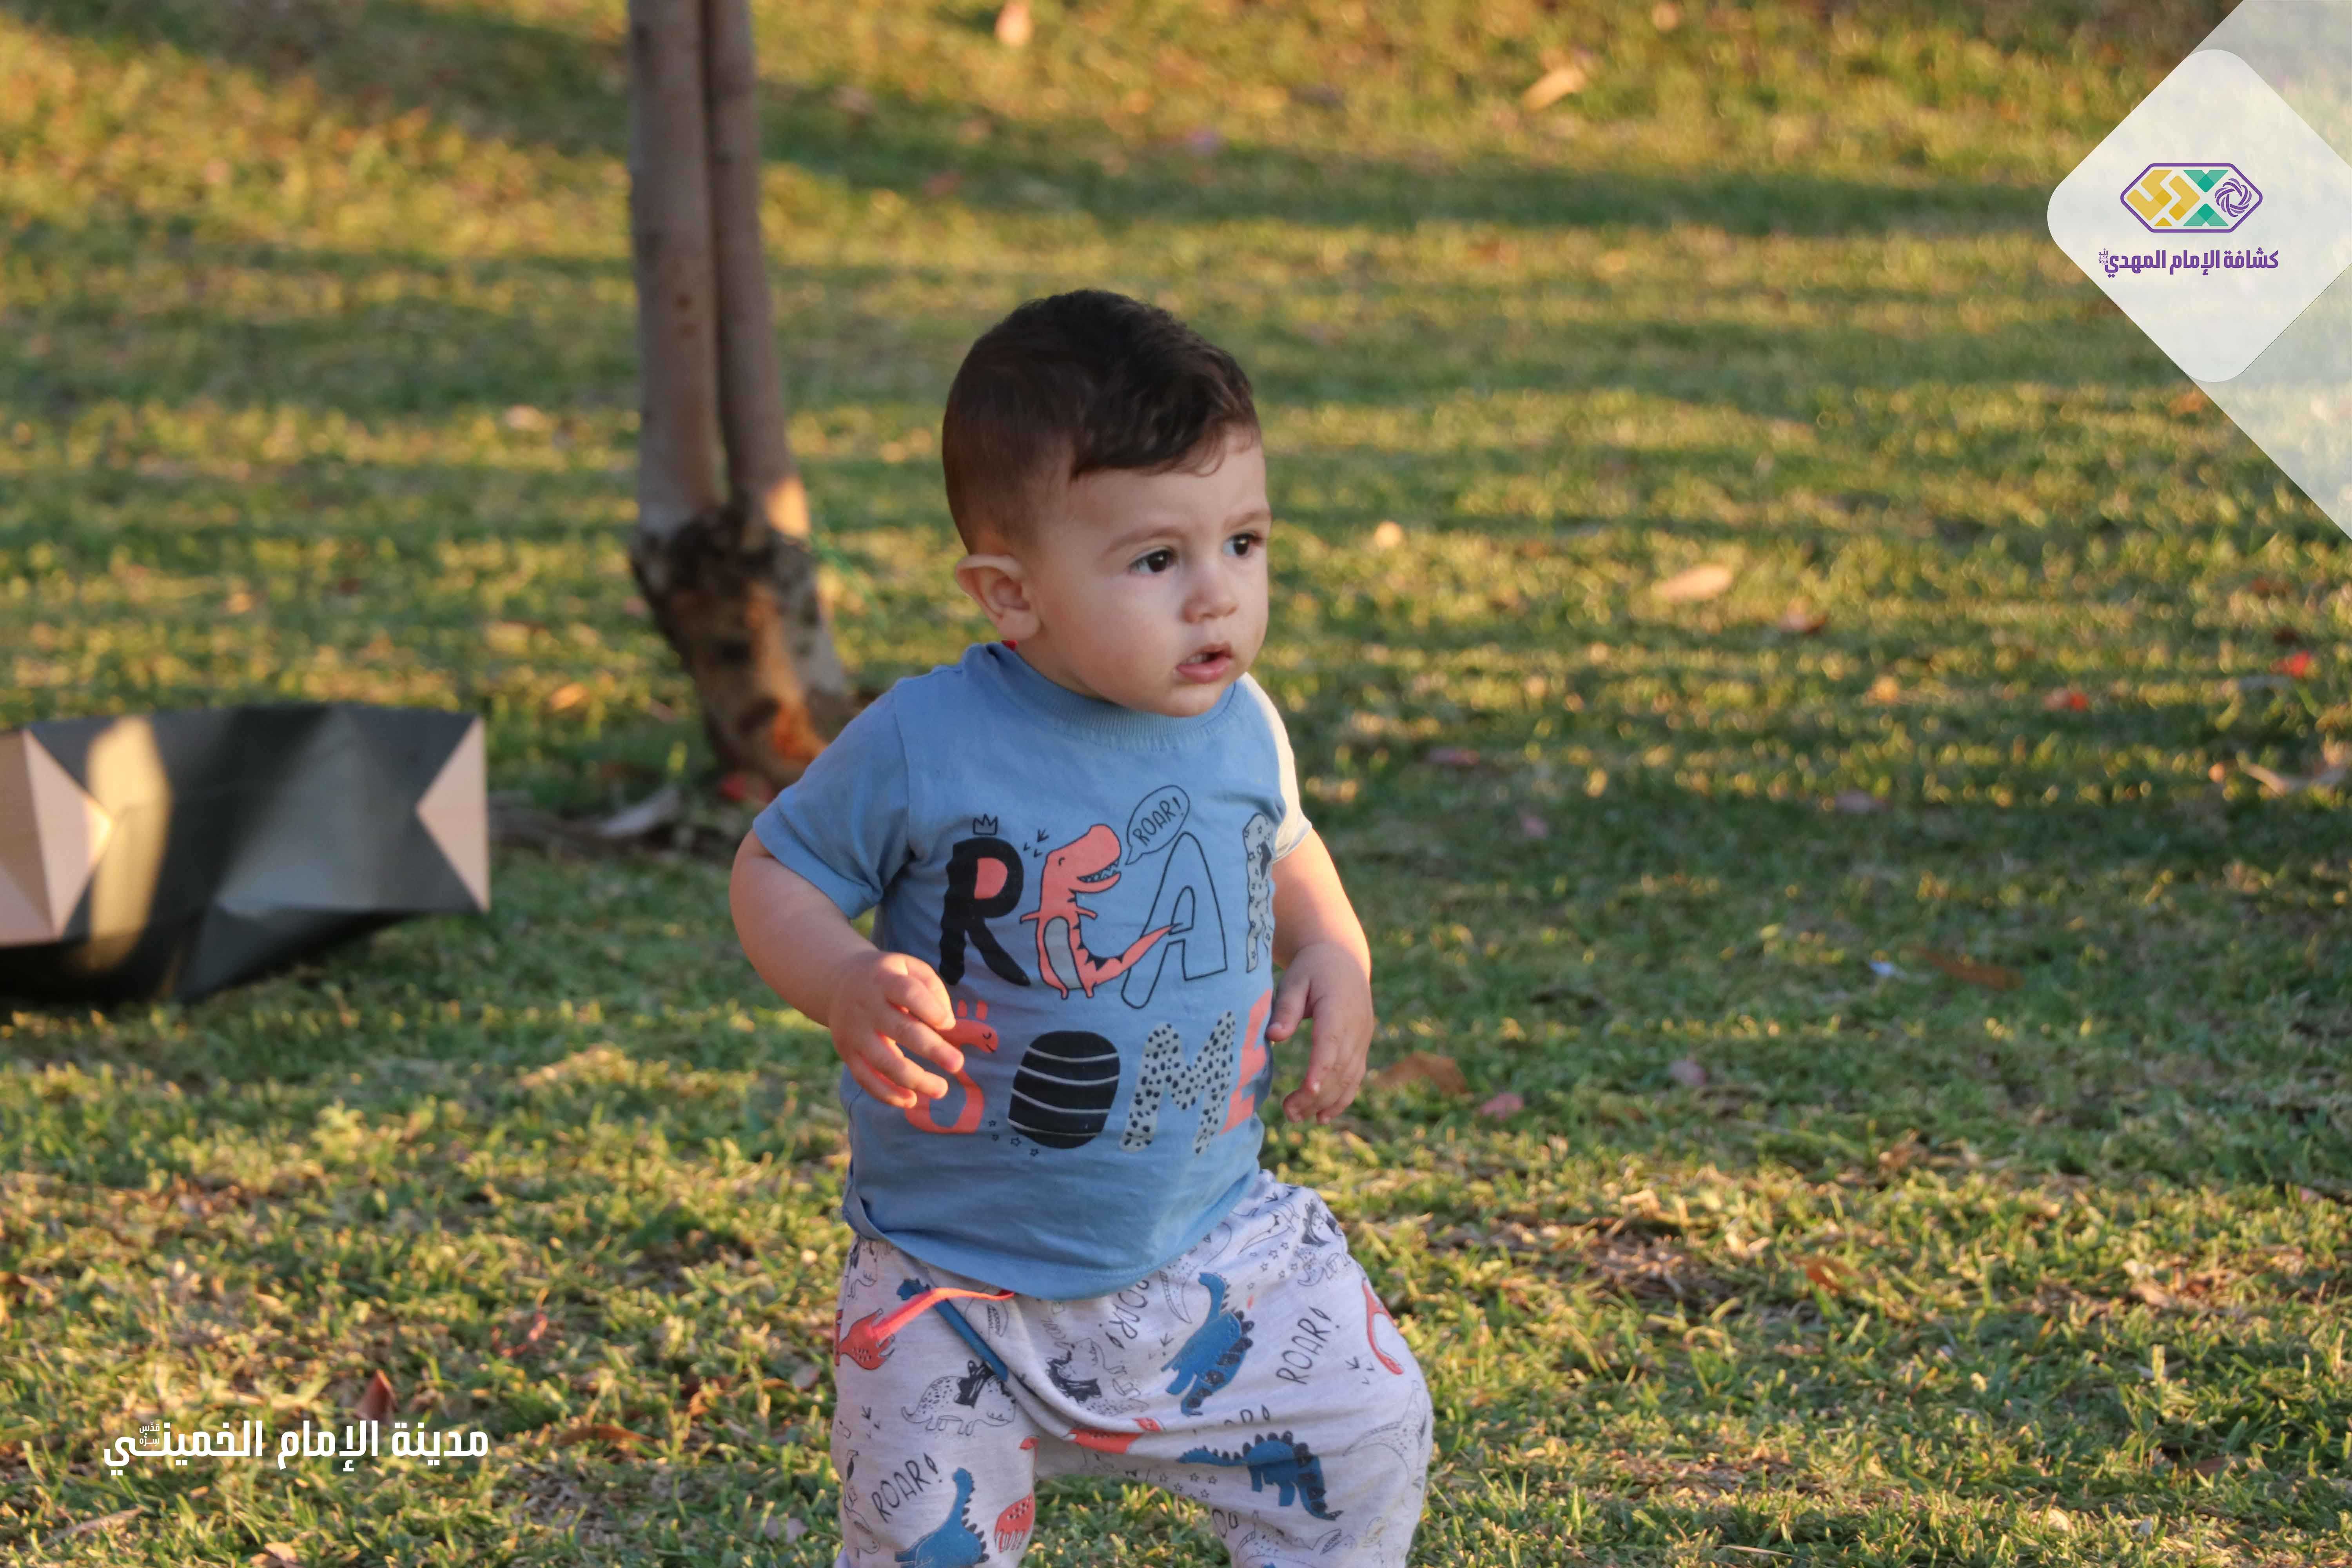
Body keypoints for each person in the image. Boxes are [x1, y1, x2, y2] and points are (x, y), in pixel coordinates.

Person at [730, 289, 1433, 1567]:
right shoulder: (927, 740)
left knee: (1368, 1426)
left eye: (1245, 543)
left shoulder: (1242, 723)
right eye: (1158, 561)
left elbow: (1287, 845)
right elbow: (776, 867)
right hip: (954, 1282)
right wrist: (841, 980)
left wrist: (1337, 950)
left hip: (1211, 1240)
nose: (1217, 597)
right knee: (926, 1544)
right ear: (1012, 595)